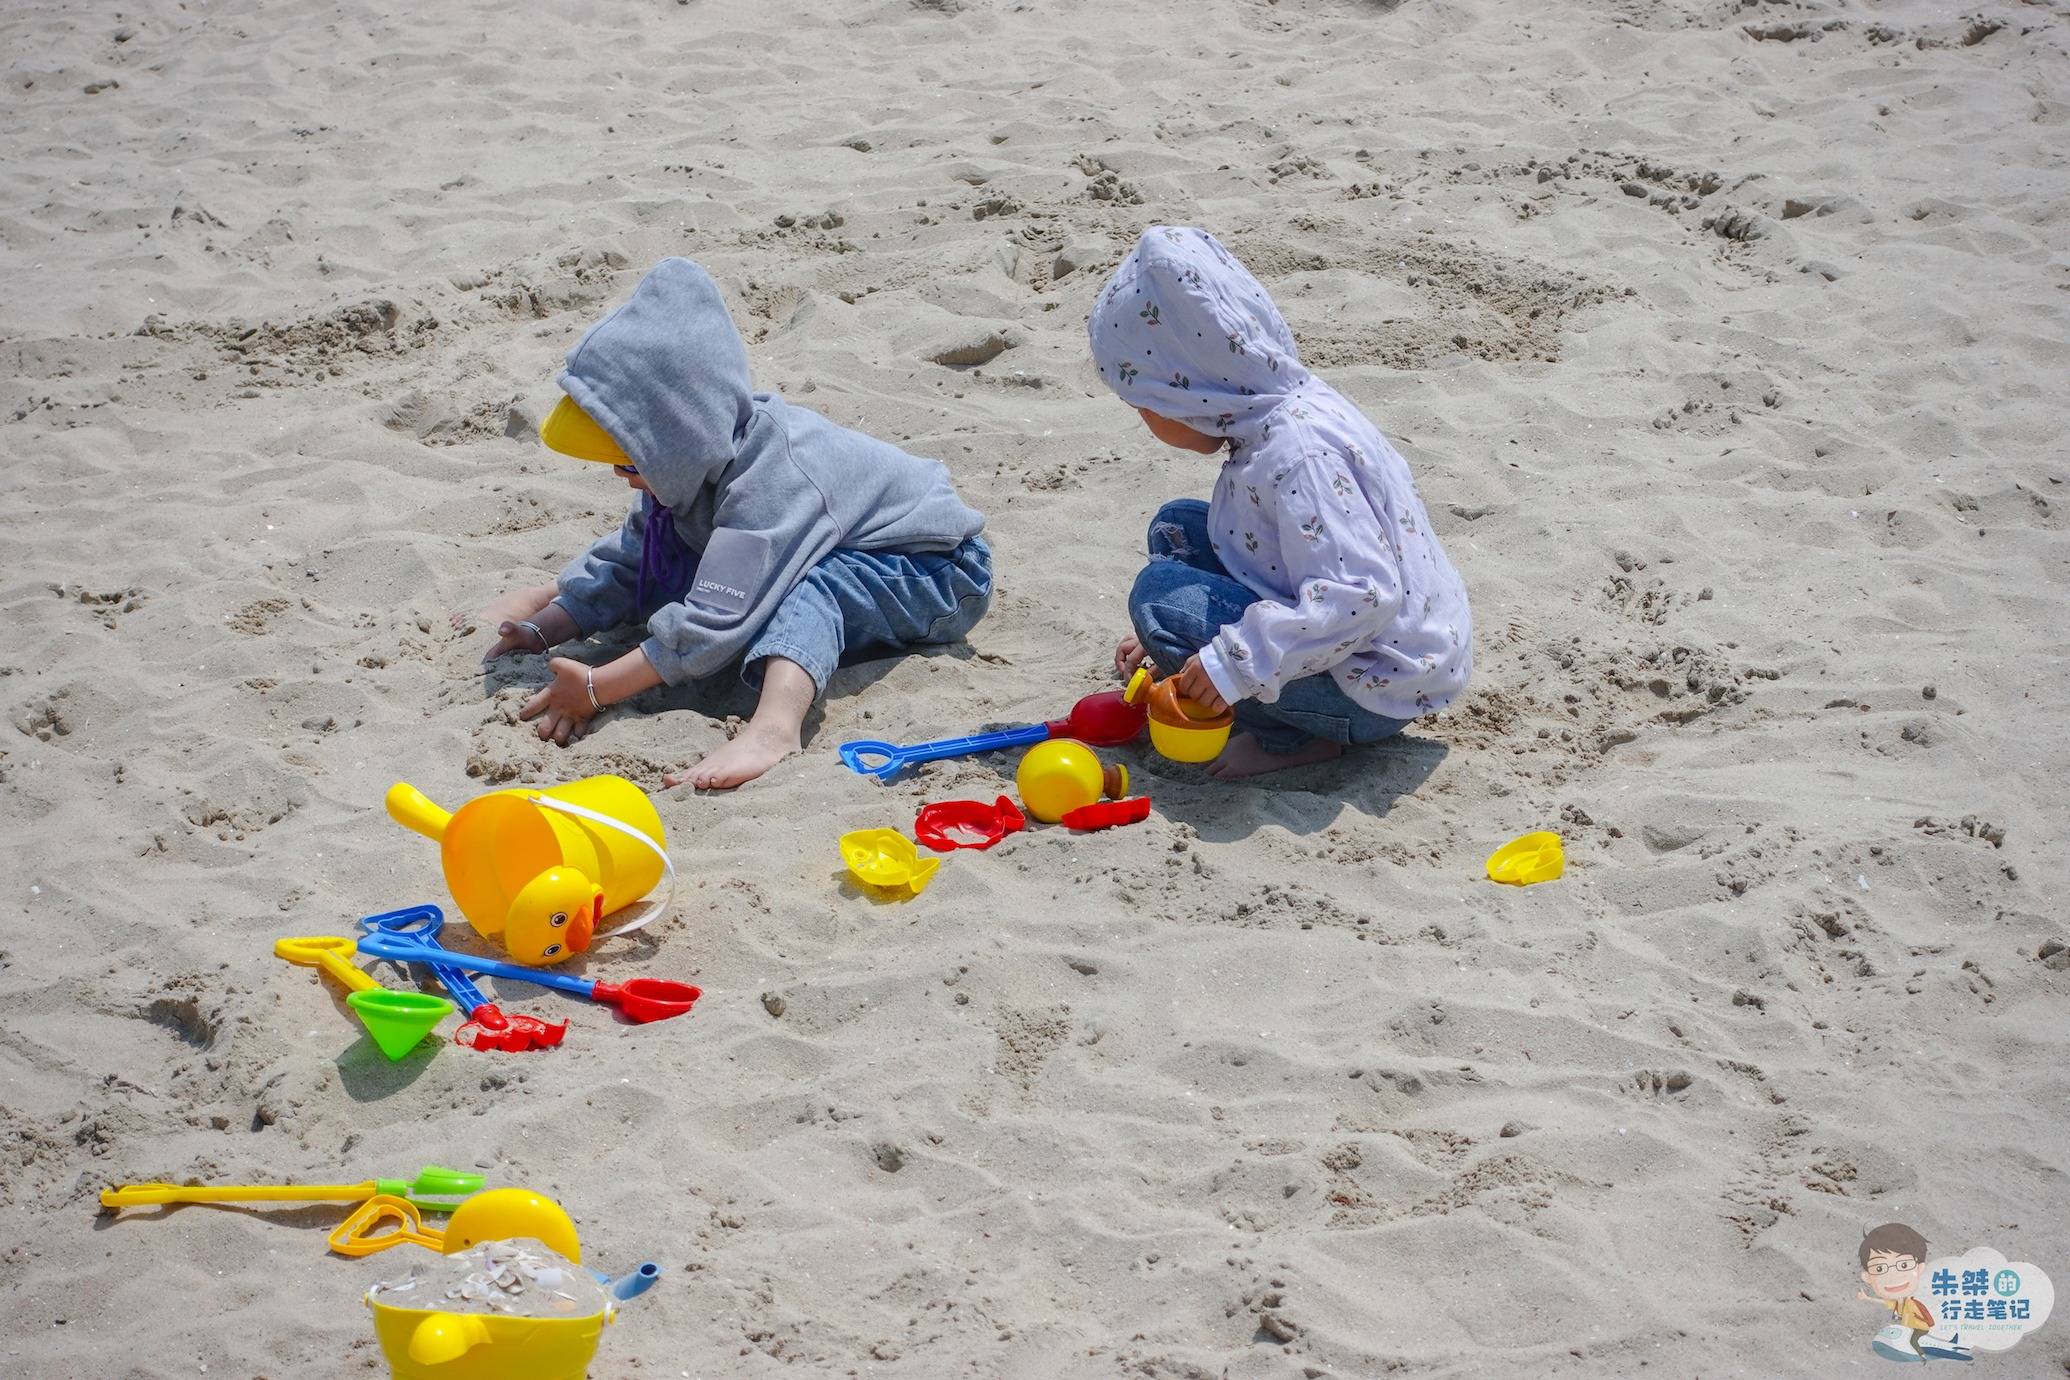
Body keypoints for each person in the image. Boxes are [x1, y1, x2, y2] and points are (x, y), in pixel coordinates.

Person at [469, 257, 990, 789]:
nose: (623, 478)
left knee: (811, 586)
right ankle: (553, 599)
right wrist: (548, 626)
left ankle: (774, 729)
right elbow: (635, 554)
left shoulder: (774, 480)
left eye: (630, 463)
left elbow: (712, 626)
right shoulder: (698, 460)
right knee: (670, 544)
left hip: (935, 569)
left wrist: (598, 687)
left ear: (680, 442)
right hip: (850, 545)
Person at [1090, 226, 1471, 778]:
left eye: (1143, 404)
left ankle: (1288, 741)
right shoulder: (1269, 409)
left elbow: (1360, 596)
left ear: (1192, 391)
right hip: (1360, 644)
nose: (1144, 421)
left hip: (1373, 686)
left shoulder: (1300, 457)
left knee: (1158, 595)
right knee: (1176, 528)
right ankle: (1212, 658)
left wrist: (1230, 659)